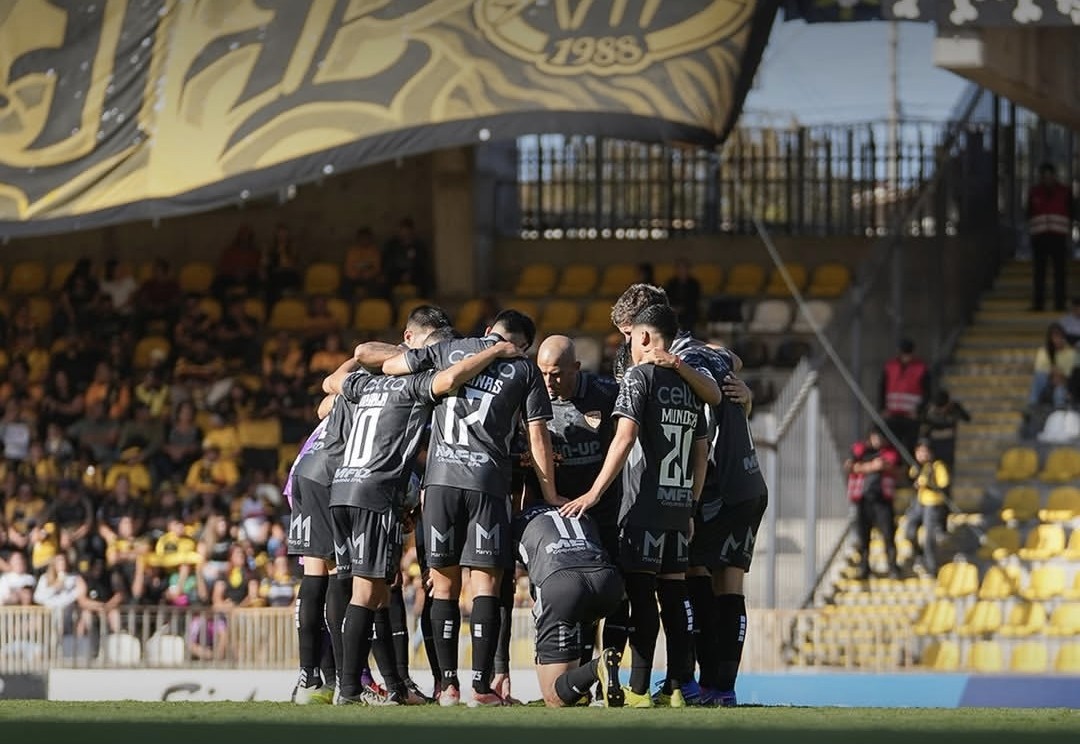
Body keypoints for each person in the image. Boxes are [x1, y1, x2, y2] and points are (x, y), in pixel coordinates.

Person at [327, 339, 525, 705]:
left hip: (340, 490)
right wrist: (494, 352)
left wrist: (366, 360)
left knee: (376, 591)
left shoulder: (366, 384)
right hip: (375, 492)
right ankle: (350, 690)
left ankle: (393, 687)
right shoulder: (414, 384)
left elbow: (330, 384)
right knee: (367, 595)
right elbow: (450, 379)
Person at [380, 309, 560, 707]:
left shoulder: (448, 349)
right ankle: (482, 688)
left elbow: (392, 365)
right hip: (487, 483)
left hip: (440, 482)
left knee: (441, 586)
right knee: (485, 585)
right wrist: (549, 493)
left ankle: (447, 687)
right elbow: (537, 436)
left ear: (487, 331)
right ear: (523, 344)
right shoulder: (524, 369)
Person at [560, 303, 709, 709]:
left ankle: (640, 688)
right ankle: (681, 685)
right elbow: (700, 452)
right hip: (678, 506)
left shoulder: (639, 377)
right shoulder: (689, 385)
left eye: (630, 337)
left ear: (643, 336)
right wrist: (691, 505)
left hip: (643, 505)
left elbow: (623, 439)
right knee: (675, 596)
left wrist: (593, 493)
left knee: (642, 596)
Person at [532, 336, 621, 673]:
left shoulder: (606, 392)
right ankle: (578, 679)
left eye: (556, 374)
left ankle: (610, 675)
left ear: (576, 368)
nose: (548, 382)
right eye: (542, 373)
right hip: (558, 515)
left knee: (611, 595)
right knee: (568, 598)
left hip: (605, 510)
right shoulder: (534, 394)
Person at [513, 501, 624, 708]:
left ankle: (597, 666)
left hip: (562, 583)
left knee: (553, 697)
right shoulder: (579, 510)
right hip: (607, 581)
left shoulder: (515, 521)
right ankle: (585, 690)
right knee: (583, 616)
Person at [844, 428, 901, 580]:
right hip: (863, 500)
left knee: (888, 536)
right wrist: (870, 466)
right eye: (876, 437)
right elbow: (850, 466)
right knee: (863, 537)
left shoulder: (890, 452)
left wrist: (863, 467)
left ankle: (893, 567)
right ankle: (863, 568)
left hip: (882, 500)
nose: (878, 440)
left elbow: (891, 466)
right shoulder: (860, 450)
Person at [1027, 162, 1075, 312]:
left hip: (1058, 237)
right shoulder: (1034, 192)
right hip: (1040, 237)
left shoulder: (1065, 192)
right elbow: (1028, 213)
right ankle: (1038, 304)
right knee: (1039, 273)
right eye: (1044, 175)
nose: (1047, 178)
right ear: (1041, 177)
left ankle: (1059, 304)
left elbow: (1072, 212)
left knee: (1060, 272)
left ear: (1054, 176)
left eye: (1049, 175)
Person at [904, 439, 950, 575]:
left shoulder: (937, 466)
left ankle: (931, 566)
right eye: (919, 452)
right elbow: (910, 478)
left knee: (929, 537)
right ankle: (918, 554)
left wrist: (928, 483)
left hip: (933, 504)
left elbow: (943, 485)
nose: (922, 455)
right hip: (919, 502)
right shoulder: (918, 467)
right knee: (909, 531)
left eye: (924, 451)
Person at [879, 338, 929, 459]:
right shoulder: (890, 367)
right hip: (892, 415)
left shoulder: (921, 368)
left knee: (910, 447)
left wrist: (919, 411)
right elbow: (882, 388)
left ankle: (909, 474)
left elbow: (928, 393)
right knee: (890, 446)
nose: (905, 356)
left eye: (908, 353)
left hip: (910, 417)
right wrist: (882, 408)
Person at [1028, 322, 1077, 410]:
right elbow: (1040, 370)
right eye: (1055, 337)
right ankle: (1032, 406)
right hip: (1048, 382)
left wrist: (1059, 376)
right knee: (1039, 376)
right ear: (1050, 339)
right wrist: (1053, 375)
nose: (1058, 340)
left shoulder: (1072, 353)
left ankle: (1059, 413)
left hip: (1065, 384)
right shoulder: (1043, 352)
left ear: (1064, 338)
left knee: (1059, 391)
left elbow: (1072, 375)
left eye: (1060, 337)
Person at [920, 390, 970, 472]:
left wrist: (956, 410)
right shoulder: (929, 410)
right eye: (938, 408)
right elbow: (923, 425)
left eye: (943, 407)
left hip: (948, 441)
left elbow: (967, 418)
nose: (941, 411)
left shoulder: (954, 408)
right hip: (934, 441)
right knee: (934, 465)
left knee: (947, 466)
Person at [664, 259, 701, 332]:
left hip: (688, 311)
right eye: (679, 268)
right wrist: (673, 307)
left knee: (688, 318)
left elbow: (694, 299)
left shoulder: (694, 284)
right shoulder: (671, 283)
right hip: (674, 310)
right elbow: (667, 297)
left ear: (688, 269)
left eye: (683, 268)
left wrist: (682, 308)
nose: (681, 271)